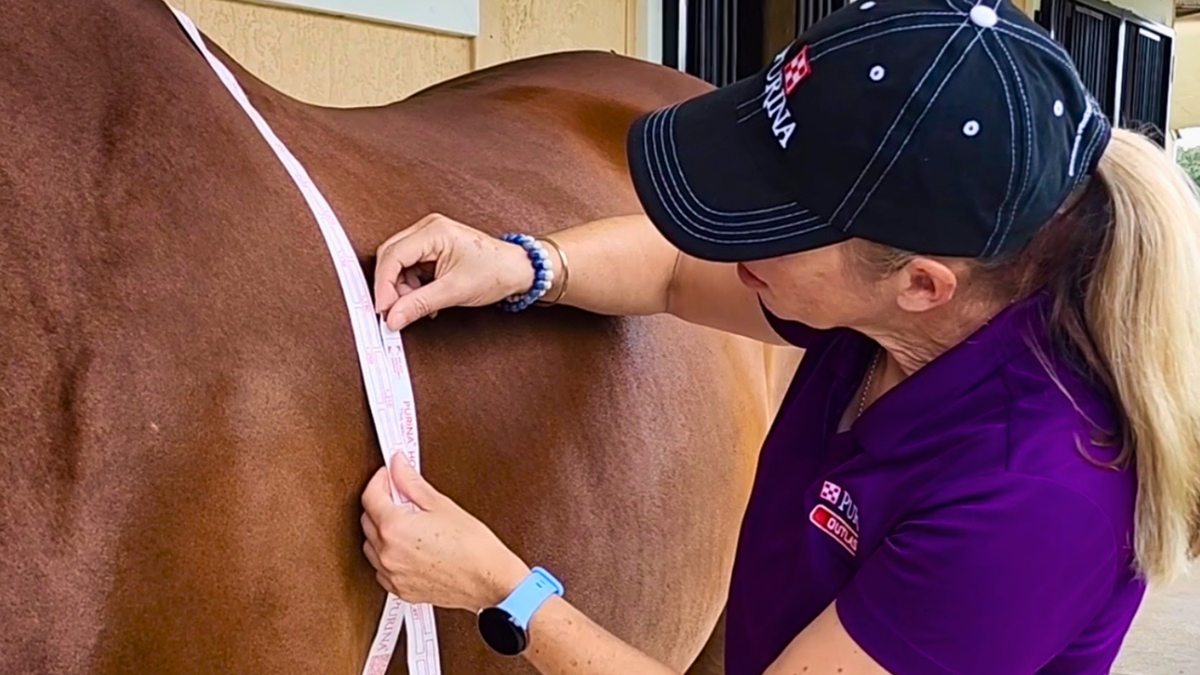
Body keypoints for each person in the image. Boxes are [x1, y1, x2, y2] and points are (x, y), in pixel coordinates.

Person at [358, 0, 1200, 672]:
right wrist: (524, 264)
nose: (732, 245)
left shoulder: (1033, 499)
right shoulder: (905, 316)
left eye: (770, 226)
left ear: (920, 284)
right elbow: (677, 272)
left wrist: (498, 587)